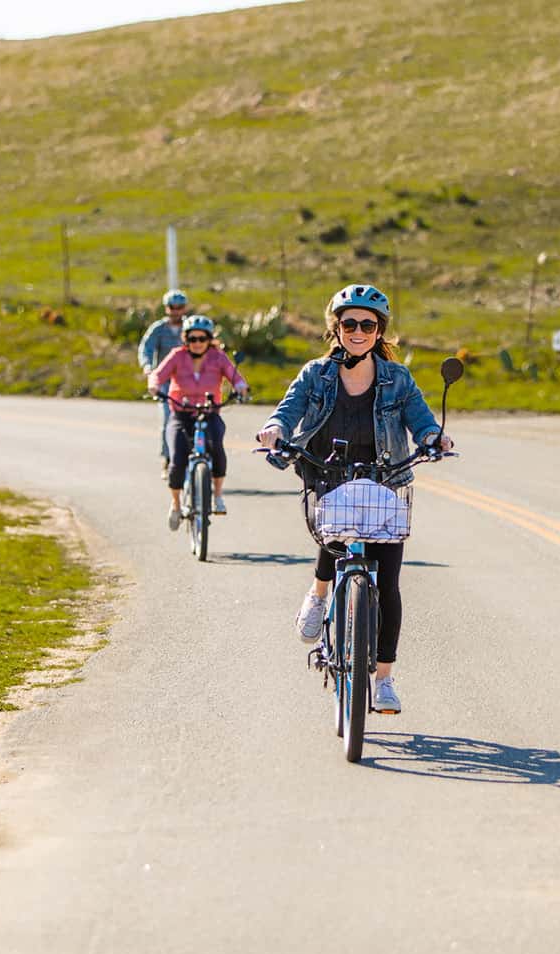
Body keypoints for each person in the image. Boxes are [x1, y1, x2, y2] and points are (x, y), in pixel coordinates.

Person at [256, 283, 453, 715]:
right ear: (337, 328)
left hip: (385, 477)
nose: (358, 330)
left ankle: (383, 679)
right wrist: (275, 430)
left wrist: (433, 437)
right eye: (350, 323)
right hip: (329, 471)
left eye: (368, 324)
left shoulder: (397, 378)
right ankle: (320, 593)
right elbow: (288, 409)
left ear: (380, 331)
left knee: (390, 582)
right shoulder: (317, 374)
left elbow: (420, 418)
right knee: (336, 530)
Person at [149, 314, 249, 529]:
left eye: (202, 339)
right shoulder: (177, 356)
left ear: (209, 339)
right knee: (177, 459)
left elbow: (236, 377)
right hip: (181, 413)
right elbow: (157, 375)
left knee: (218, 450)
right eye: (192, 339)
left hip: (209, 412)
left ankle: (217, 496)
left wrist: (240, 387)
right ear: (186, 339)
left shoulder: (218, 357)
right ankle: (176, 505)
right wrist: (154, 385)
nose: (197, 343)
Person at [138, 289, 191, 478]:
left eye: (179, 307)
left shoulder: (191, 327)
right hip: (166, 382)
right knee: (169, 419)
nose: (176, 311)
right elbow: (146, 348)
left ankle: (196, 458)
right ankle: (168, 458)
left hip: (189, 382)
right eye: (172, 307)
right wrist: (147, 368)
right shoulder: (158, 329)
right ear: (166, 308)